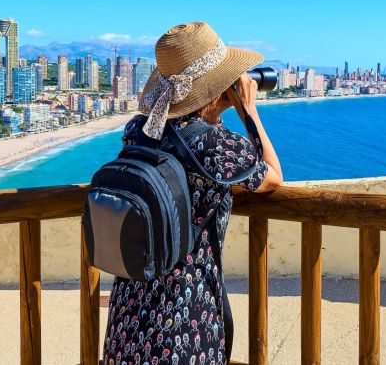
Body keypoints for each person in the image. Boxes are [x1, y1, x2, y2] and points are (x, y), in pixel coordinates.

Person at [102, 21, 283, 365]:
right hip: (185, 310)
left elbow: (182, 144)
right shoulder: (213, 144)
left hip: (130, 304)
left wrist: (212, 109)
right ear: (216, 87)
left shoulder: (137, 130)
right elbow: (273, 177)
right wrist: (249, 110)